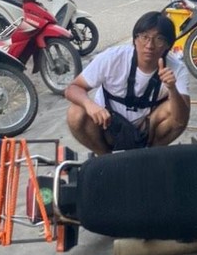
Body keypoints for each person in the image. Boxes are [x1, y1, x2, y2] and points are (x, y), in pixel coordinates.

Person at [65, 10, 190, 155]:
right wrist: (90, 105)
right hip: (108, 126)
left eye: (159, 39)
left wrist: (172, 89)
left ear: (168, 45)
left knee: (174, 108)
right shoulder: (112, 58)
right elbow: (72, 88)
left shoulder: (176, 69)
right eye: (144, 37)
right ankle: (105, 157)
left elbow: (181, 120)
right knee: (76, 112)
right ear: (135, 39)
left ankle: (151, 155)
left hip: (147, 129)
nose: (149, 45)